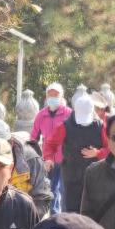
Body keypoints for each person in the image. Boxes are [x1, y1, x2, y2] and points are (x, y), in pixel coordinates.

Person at [41, 94, 105, 213]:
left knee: (93, 210)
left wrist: (98, 153)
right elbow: (50, 144)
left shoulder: (100, 127)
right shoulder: (65, 126)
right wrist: (48, 158)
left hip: (95, 176)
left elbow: (110, 148)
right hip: (71, 175)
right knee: (72, 210)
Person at [31, 82, 72, 214]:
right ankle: (54, 220)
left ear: (62, 97)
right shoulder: (41, 115)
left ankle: (66, 220)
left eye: (56, 95)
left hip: (67, 160)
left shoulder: (70, 114)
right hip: (48, 161)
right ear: (46, 97)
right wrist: (39, 160)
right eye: (50, 95)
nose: (53, 97)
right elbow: (33, 139)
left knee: (66, 192)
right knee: (50, 191)